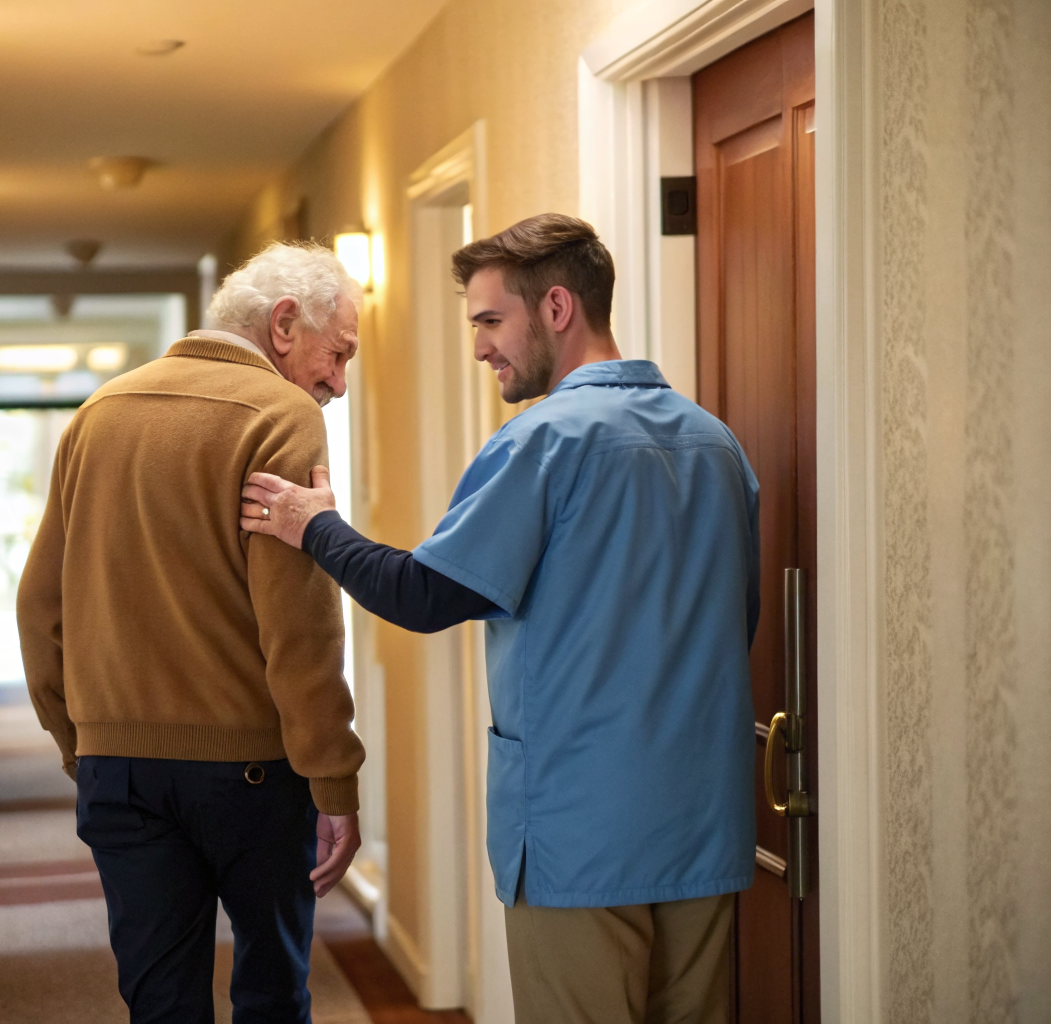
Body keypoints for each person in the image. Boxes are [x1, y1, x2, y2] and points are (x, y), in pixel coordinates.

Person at [241, 214, 759, 1024]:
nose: (480, 346)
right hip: (703, 823)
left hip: (581, 832)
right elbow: (737, 623)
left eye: (489, 321)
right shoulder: (716, 445)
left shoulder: (544, 442)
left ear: (556, 308)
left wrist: (315, 526)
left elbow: (422, 595)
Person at [18, 241, 366, 1024]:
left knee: (159, 1001)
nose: (337, 383)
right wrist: (333, 778)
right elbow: (300, 630)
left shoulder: (97, 413)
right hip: (253, 773)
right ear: (283, 324)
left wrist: (82, 742)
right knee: (272, 994)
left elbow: (39, 608)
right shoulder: (283, 416)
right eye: (337, 354)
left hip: (121, 772)